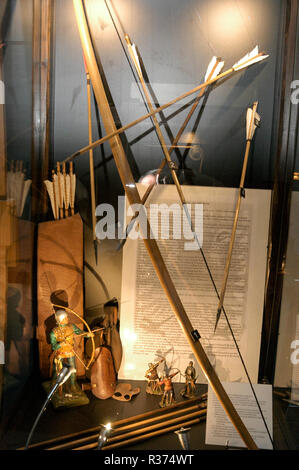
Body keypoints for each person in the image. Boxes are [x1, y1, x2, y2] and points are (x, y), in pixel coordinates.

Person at [50, 309, 92, 393]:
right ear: (60, 320)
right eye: (65, 318)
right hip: (60, 353)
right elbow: (54, 347)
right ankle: (54, 383)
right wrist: (60, 344)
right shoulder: (54, 332)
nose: (67, 319)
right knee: (57, 370)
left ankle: (73, 384)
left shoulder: (71, 326)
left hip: (70, 351)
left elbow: (79, 332)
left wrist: (87, 334)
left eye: (67, 317)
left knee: (73, 368)